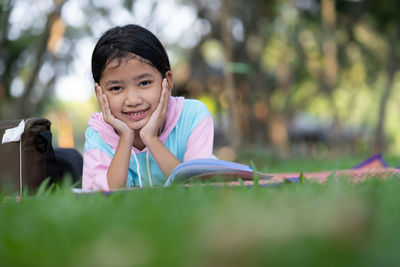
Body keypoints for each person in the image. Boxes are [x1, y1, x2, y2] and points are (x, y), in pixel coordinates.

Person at [82, 24, 214, 190]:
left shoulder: (193, 115)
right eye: (116, 88)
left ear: (168, 81)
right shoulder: (99, 131)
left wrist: (150, 138)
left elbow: (196, 188)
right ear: (99, 92)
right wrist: (125, 138)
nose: (132, 100)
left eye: (144, 83)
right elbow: (101, 198)